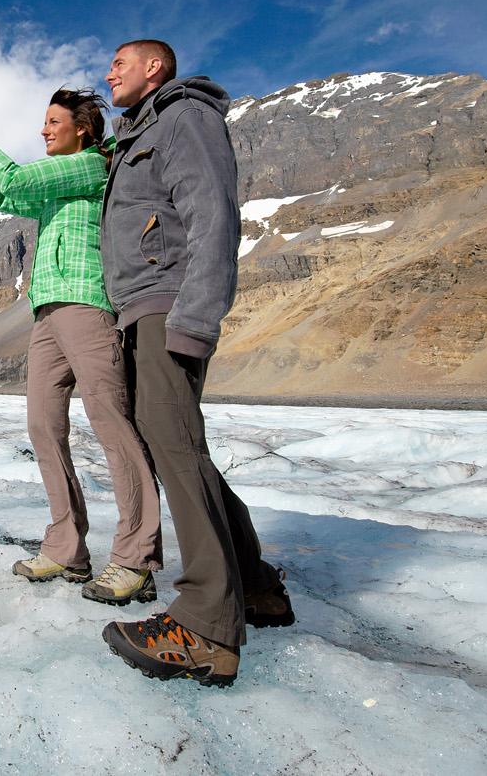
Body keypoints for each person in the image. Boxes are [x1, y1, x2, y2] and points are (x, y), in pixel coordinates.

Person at [96, 40, 294, 688]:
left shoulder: (183, 115)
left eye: (119, 63)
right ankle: (256, 586)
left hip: (167, 304)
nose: (108, 73)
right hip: (140, 308)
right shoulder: (138, 134)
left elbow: (212, 214)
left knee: (175, 447)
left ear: (155, 67)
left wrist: (194, 317)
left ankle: (208, 626)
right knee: (180, 447)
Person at [0, 88, 162, 605]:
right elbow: (1, 196)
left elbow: (15, 179)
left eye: (53, 122)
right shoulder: (61, 179)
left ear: (83, 130)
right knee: (43, 426)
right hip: (46, 311)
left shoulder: (89, 166)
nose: (44, 130)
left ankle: (136, 558)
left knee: (113, 425)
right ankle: (67, 548)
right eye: (43, 123)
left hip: (86, 305)